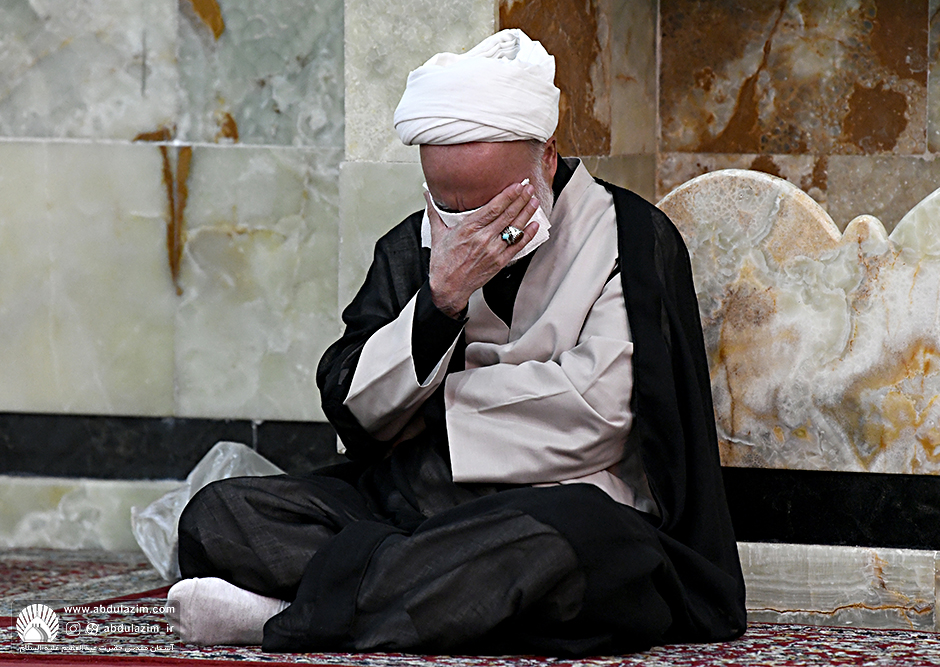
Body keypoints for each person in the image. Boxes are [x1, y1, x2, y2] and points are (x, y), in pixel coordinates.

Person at [168, 29, 746, 656]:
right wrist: (438, 302)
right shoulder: (411, 246)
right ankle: (428, 592)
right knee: (218, 516)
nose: (470, 230)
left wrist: (433, 418)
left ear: (546, 158)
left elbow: (599, 412)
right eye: (450, 206)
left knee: (574, 547)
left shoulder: (626, 237)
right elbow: (353, 403)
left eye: (493, 206)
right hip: (421, 505)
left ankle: (284, 618)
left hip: (558, 510)